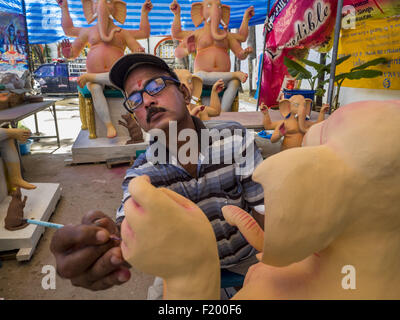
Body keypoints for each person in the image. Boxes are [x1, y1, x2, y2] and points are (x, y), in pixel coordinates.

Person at [50, 53, 265, 298]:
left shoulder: (235, 139)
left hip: (247, 257)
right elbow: (127, 225)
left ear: (184, 93)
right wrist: (111, 246)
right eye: (134, 99)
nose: (147, 102)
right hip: (182, 267)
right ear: (137, 118)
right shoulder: (143, 175)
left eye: (155, 86)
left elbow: (263, 210)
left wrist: (275, 259)